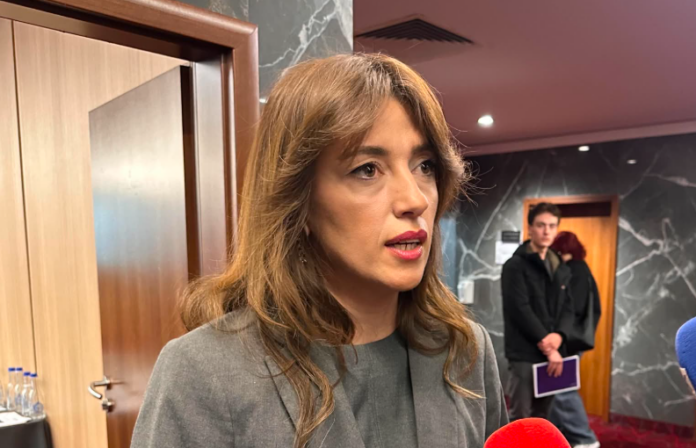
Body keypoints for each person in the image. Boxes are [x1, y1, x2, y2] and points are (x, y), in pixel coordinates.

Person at [130, 53, 508, 448]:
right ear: (299, 200)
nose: (415, 199)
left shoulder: (466, 349)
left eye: (424, 166)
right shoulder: (202, 372)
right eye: (367, 169)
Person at [501, 203, 574, 421]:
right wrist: (549, 346)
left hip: (552, 353)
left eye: (552, 226)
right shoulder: (514, 265)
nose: (546, 231)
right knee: (521, 417)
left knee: (543, 418)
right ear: (530, 228)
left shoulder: (559, 265)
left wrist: (559, 336)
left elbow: (568, 307)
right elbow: (519, 309)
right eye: (541, 225)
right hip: (525, 353)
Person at [548, 231, 601, 448]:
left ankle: (585, 439)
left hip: (568, 342)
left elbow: (572, 307)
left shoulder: (575, 270)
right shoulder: (581, 269)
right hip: (569, 341)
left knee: (563, 390)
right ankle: (562, 436)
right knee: (555, 389)